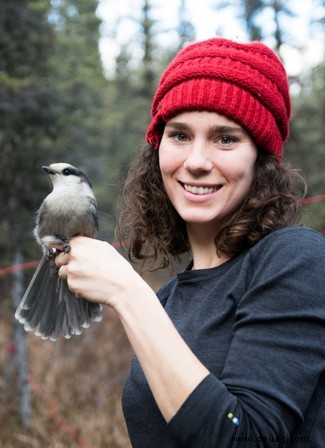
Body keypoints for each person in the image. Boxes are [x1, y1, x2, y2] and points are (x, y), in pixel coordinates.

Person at [55, 37, 325, 447]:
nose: (196, 161)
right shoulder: (170, 301)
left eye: (226, 138)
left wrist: (128, 293)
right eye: (179, 135)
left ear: (260, 159)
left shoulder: (294, 259)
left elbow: (245, 438)